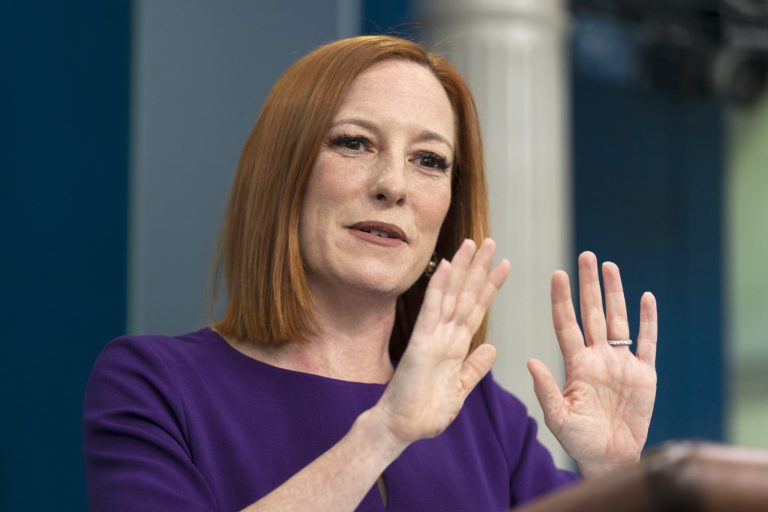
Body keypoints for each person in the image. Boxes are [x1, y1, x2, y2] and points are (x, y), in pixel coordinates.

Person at [83, 35, 658, 511]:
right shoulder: (154, 384)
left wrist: (613, 475)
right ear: (285, 178)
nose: (394, 185)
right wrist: (384, 432)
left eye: (429, 160)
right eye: (355, 143)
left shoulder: (485, 414)